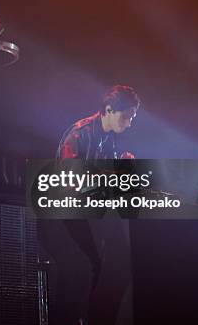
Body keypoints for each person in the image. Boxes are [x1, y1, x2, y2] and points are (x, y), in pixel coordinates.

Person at [39, 85, 140, 325]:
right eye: (127, 116)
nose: (129, 123)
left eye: (132, 118)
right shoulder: (79, 133)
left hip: (85, 212)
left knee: (119, 260)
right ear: (109, 110)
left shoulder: (110, 138)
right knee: (81, 267)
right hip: (61, 213)